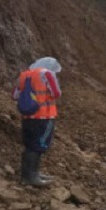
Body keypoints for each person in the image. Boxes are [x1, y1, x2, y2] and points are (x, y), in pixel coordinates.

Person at [12, 57, 62, 187]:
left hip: (27, 117)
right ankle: (31, 176)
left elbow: (15, 95)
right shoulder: (47, 74)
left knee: (30, 145)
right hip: (44, 117)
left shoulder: (24, 74)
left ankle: (30, 174)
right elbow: (56, 93)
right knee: (39, 145)